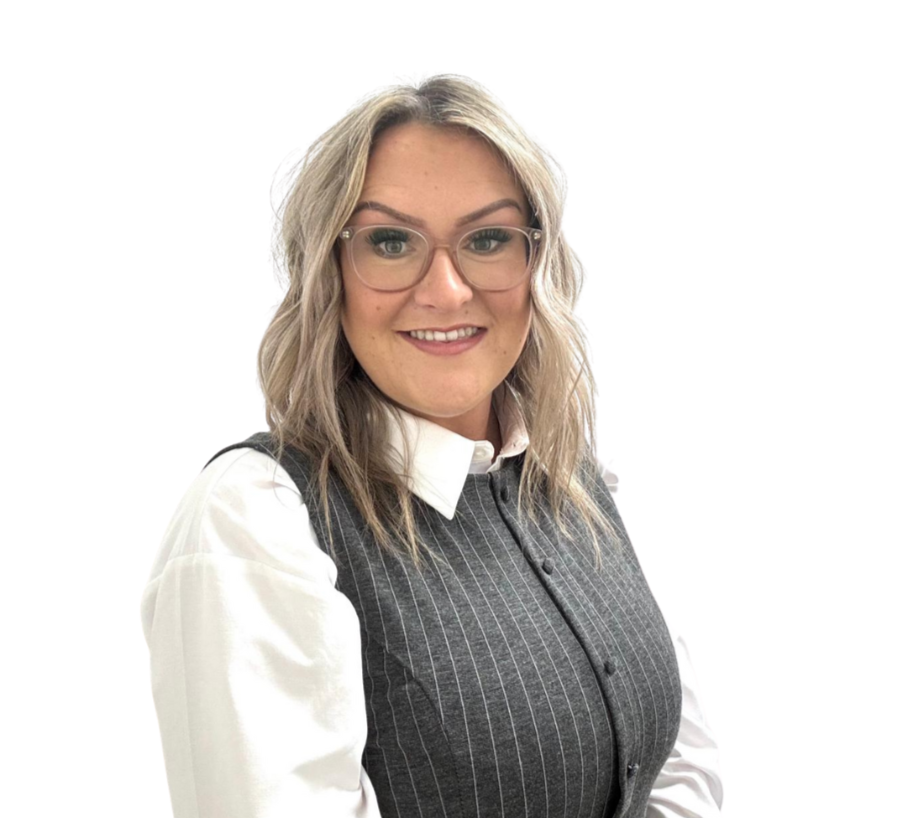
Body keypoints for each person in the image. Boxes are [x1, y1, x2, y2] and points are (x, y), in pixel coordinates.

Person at [140, 75, 724, 818]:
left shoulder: (574, 480)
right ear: (328, 274)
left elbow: (679, 771)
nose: (446, 290)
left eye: (487, 239)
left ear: (535, 264)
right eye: (390, 242)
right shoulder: (255, 522)